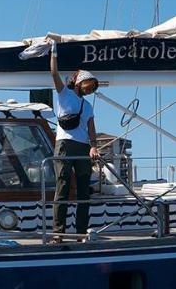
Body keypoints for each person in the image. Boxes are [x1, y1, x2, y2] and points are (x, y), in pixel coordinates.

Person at [49, 43, 100, 243]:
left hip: (83, 147)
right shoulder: (64, 93)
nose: (90, 89)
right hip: (64, 144)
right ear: (79, 82)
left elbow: (91, 128)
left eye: (92, 87)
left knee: (83, 190)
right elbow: (54, 73)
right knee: (62, 186)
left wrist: (93, 146)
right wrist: (53, 53)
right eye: (88, 84)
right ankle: (58, 232)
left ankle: (80, 232)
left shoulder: (88, 106)